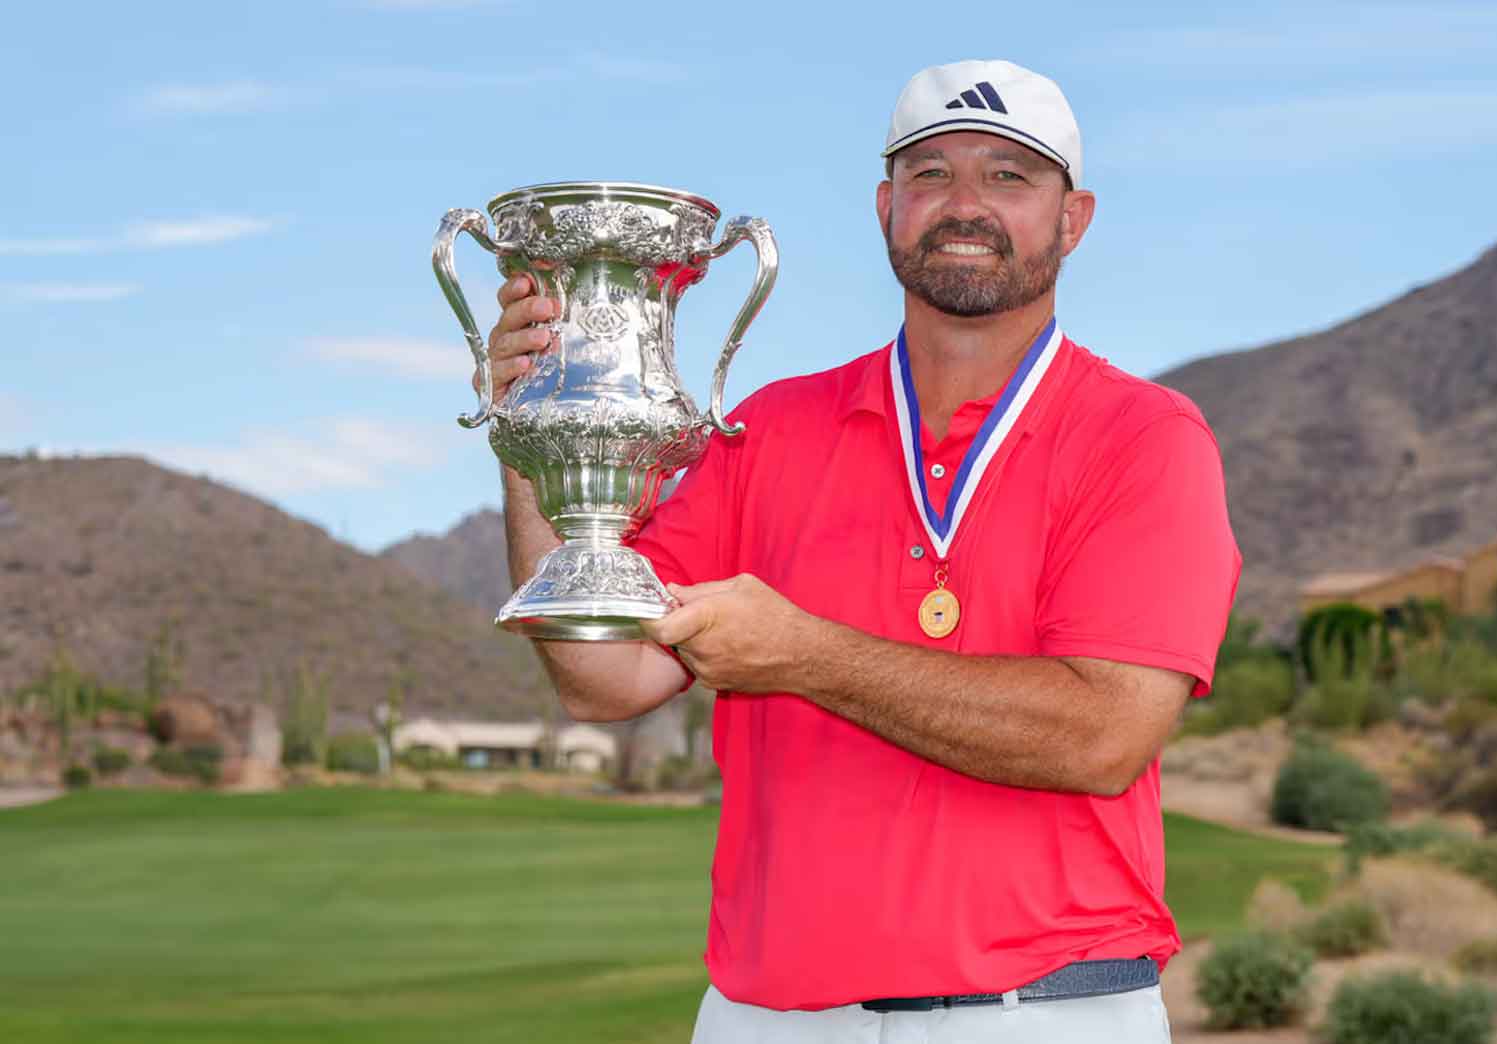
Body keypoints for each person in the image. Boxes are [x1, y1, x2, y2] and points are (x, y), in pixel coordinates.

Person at [484, 59, 1240, 1044]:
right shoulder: (772, 429)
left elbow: (1102, 737)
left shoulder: (1141, 437)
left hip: (1043, 1014)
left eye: (1009, 177)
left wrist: (806, 655)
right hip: (769, 1017)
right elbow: (604, 675)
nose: (964, 204)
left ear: (1073, 218)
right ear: (886, 207)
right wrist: (533, 429)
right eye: (931, 175)